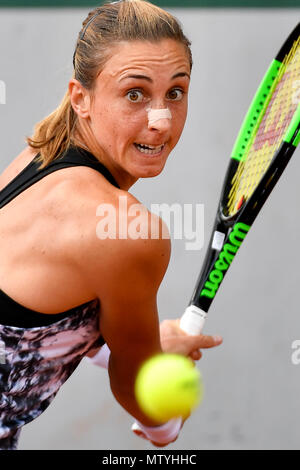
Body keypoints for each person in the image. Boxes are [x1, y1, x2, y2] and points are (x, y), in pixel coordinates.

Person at [0, 0, 222, 450]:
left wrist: (144, 343)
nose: (160, 122)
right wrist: (165, 421)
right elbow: (141, 390)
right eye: (135, 93)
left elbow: (31, 316)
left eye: (175, 93)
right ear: (80, 98)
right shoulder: (128, 232)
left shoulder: (36, 160)